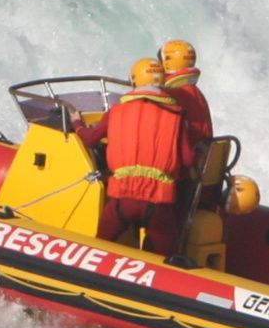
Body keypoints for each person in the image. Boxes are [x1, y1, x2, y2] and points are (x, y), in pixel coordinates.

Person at [79, 58, 194, 255]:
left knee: (100, 247)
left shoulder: (117, 111)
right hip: (158, 203)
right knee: (168, 257)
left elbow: (89, 139)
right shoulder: (177, 116)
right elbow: (188, 159)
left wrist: (76, 123)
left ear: (134, 81)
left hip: (122, 199)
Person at [159, 39, 212, 152]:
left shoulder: (174, 95)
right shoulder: (195, 92)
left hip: (189, 157)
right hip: (203, 155)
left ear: (167, 63)